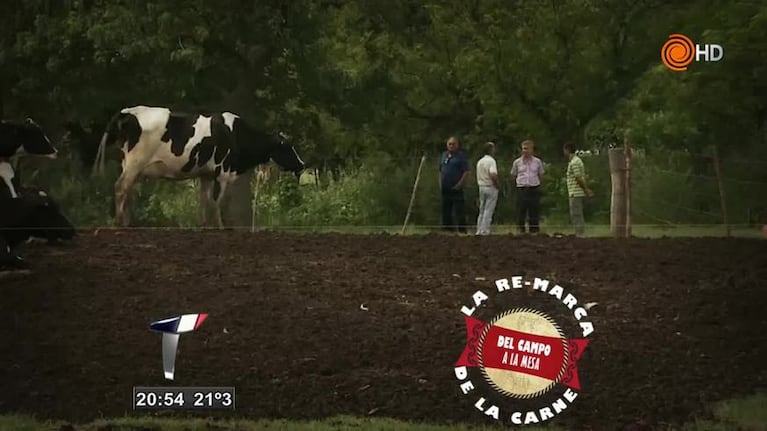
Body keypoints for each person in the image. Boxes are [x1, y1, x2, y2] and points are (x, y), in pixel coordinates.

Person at [509, 140, 544, 234]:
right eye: (523, 149)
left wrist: (539, 185)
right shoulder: (517, 162)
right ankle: (520, 230)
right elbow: (513, 175)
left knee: (534, 210)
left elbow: (541, 174)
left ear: (532, 149)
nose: (525, 151)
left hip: (533, 188)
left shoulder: (537, 162)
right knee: (521, 210)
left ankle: (534, 230)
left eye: (527, 149)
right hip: (522, 188)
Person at [439, 136, 470, 233]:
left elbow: (466, 172)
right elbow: (440, 170)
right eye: (449, 144)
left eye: (453, 144)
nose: (451, 146)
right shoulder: (444, 155)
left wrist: (459, 184)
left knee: (459, 209)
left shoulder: (461, 156)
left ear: (457, 145)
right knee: (446, 209)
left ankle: (462, 230)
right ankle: (448, 229)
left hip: (456, 187)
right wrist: (440, 183)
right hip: (445, 187)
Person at [564, 142, 594, 237]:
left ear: (567, 150)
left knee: (576, 213)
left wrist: (586, 189)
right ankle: (578, 232)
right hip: (574, 191)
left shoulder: (574, 162)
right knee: (576, 213)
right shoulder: (575, 161)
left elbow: (578, 178)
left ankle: (580, 233)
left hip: (575, 192)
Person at [475, 142, 500, 236]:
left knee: (482, 209)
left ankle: (479, 229)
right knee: (489, 209)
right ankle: (485, 230)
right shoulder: (491, 161)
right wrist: (497, 185)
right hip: (490, 186)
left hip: (481, 186)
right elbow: (493, 174)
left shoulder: (480, 161)